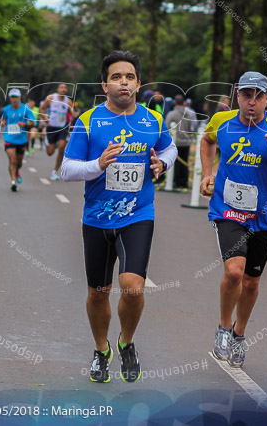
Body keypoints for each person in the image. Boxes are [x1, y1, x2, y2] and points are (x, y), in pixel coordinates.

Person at [60, 50, 176, 384]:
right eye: (116, 77)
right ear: (104, 84)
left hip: (138, 213)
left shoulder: (151, 120)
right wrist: (97, 165)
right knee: (98, 292)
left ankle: (126, 341)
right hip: (97, 218)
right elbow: (67, 169)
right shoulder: (87, 121)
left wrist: (162, 163)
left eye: (128, 77)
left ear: (138, 84)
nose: (123, 82)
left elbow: (169, 148)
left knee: (133, 288)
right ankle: (101, 350)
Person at [199, 71, 267, 368]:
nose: (252, 101)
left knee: (251, 281)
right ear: (238, 97)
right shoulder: (222, 121)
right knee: (235, 272)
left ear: (266, 98)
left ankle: (239, 334)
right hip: (227, 210)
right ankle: (223, 328)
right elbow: (207, 140)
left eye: (258, 96)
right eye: (246, 95)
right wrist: (207, 173)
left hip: (261, 216)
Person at [2, 89, 36, 191]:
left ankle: (16, 172)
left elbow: (33, 122)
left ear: (20, 98)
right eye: (12, 97)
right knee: (12, 160)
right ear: (10, 98)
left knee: (19, 162)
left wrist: (24, 124)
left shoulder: (25, 108)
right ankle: (13, 181)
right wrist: (3, 123)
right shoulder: (6, 109)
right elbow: (5, 119)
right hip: (9, 138)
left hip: (21, 139)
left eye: (16, 97)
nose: (14, 99)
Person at [42, 83, 77, 180]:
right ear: (58, 89)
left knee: (62, 147)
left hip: (62, 128)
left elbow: (73, 113)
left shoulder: (68, 101)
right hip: (51, 127)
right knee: (50, 152)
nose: (63, 89)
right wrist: (44, 118)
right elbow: (42, 108)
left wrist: (74, 115)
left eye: (65, 88)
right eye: (61, 87)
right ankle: (51, 143)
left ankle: (55, 171)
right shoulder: (51, 98)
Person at [164, 94, 197, 189]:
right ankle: (184, 183)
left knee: (176, 163)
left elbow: (166, 126)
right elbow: (193, 127)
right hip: (186, 142)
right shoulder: (189, 114)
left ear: (174, 103)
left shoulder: (171, 114)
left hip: (176, 141)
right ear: (184, 102)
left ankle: (175, 182)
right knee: (185, 162)